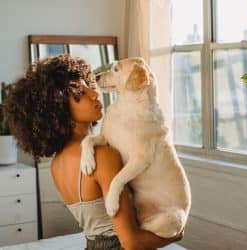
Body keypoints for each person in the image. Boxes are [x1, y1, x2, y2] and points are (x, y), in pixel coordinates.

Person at [3, 54, 184, 250]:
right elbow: (131, 243)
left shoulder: (56, 164)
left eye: (88, 86)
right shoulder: (103, 156)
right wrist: (174, 237)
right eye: (80, 94)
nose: (94, 94)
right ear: (59, 109)